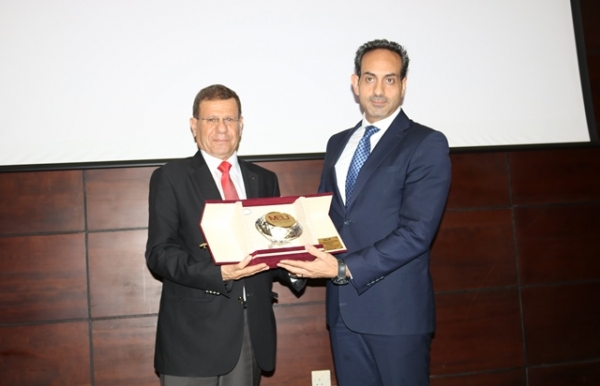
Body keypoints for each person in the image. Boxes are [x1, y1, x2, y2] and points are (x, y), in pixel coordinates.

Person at [278, 39, 451, 385]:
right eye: (370, 78)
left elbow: (417, 233)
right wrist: (297, 261)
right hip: (343, 315)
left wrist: (344, 268)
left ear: (403, 85)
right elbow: (325, 219)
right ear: (355, 83)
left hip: (396, 316)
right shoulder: (337, 143)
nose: (379, 90)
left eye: (390, 79)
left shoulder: (426, 143)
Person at [145, 84, 304, 386]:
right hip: (190, 337)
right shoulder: (171, 177)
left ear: (241, 125)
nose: (221, 128)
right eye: (211, 119)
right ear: (194, 126)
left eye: (229, 119)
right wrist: (220, 273)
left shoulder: (264, 179)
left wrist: (297, 266)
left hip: (250, 332)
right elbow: (159, 253)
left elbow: (272, 248)